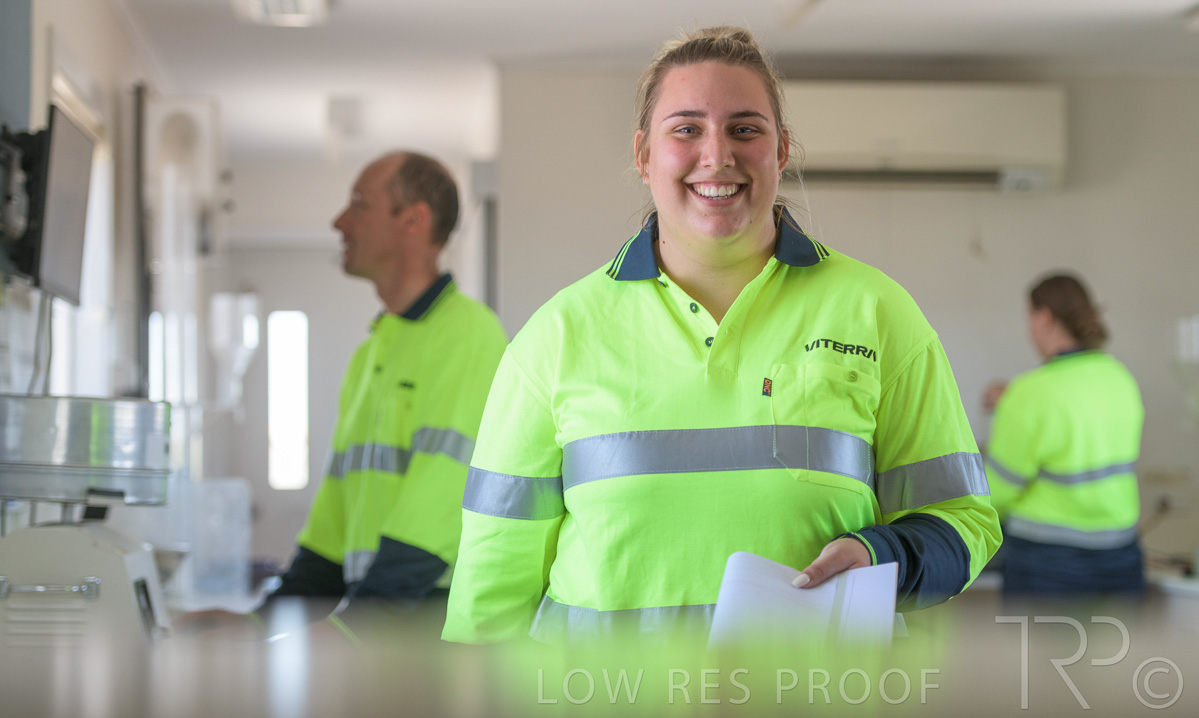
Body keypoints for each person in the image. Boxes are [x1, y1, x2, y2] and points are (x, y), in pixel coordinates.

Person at [441, 27, 1000, 645]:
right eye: (686, 129)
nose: (717, 155)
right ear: (643, 155)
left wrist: (881, 553)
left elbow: (965, 520)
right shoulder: (556, 336)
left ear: (781, 151)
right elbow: (492, 581)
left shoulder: (877, 312)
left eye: (745, 129)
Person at [265, 151, 508, 629]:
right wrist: (262, 622)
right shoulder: (371, 354)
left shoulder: (467, 335)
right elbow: (332, 531)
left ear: (413, 220)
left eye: (359, 204)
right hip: (382, 619)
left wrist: (358, 626)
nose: (339, 222)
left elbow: (439, 508)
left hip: (432, 624)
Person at [982, 273, 1144, 596]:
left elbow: (995, 493)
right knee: (1117, 633)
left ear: (1044, 317)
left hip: (1047, 562)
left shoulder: (1028, 393)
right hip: (1121, 555)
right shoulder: (1121, 378)